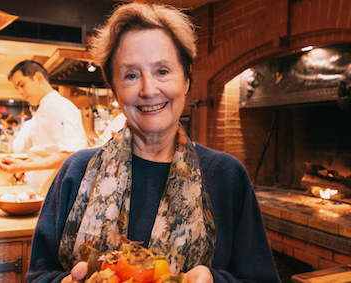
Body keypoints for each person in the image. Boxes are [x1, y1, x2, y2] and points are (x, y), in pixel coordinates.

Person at [26, 3, 280, 283]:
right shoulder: (75, 173)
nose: (148, 90)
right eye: (131, 75)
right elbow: (39, 274)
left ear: (186, 79)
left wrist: (214, 280)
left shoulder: (226, 176)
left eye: (162, 71)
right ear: (115, 89)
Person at [0, 60, 88, 194]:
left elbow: (71, 155)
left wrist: (24, 166)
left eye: (22, 85)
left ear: (38, 78)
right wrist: (21, 167)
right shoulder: (43, 109)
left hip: (63, 190)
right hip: (49, 189)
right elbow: (46, 152)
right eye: (17, 89)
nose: (20, 92)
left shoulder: (58, 106)